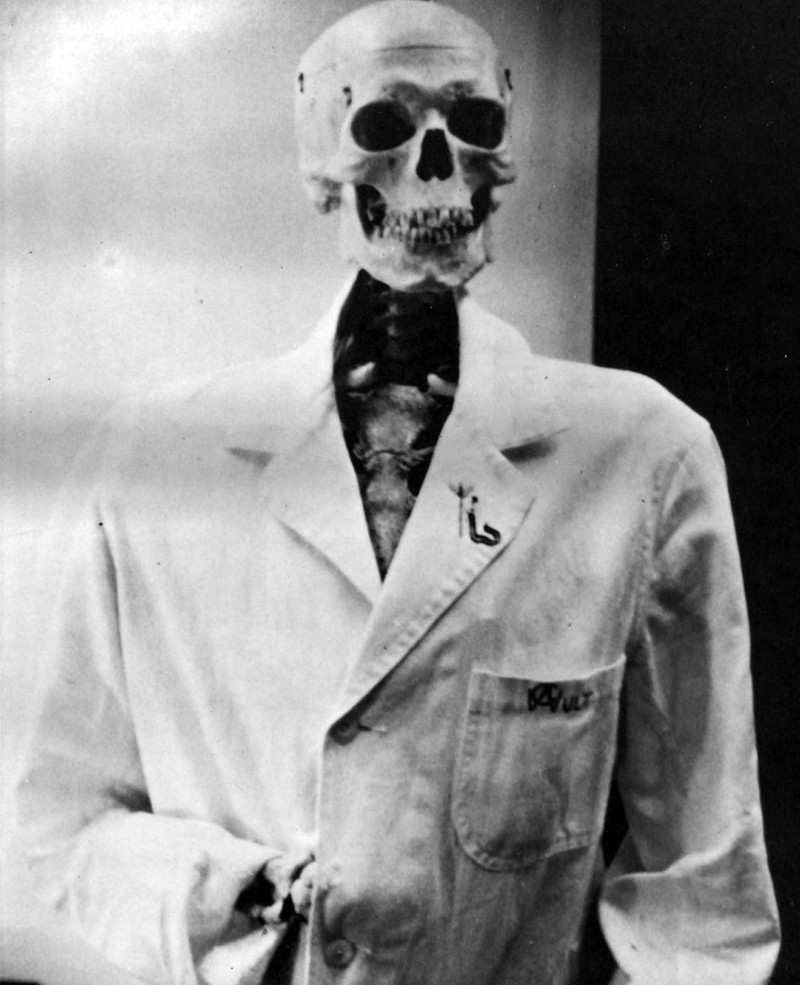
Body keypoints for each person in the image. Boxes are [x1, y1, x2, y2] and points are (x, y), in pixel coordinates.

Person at [16, 3, 780, 984]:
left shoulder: (641, 455)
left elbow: (703, 897)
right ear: (322, 170)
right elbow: (64, 820)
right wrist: (232, 889)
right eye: (384, 125)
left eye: (473, 125)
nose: (435, 162)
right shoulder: (153, 462)